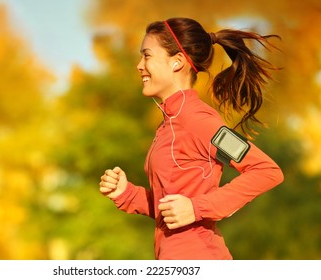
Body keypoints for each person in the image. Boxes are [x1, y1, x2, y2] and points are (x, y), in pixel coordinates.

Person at [99, 17, 284, 260]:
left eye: (147, 56)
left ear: (177, 62)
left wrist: (197, 208)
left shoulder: (198, 121)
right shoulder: (169, 124)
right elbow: (170, 206)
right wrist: (127, 193)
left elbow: (266, 171)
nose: (139, 65)